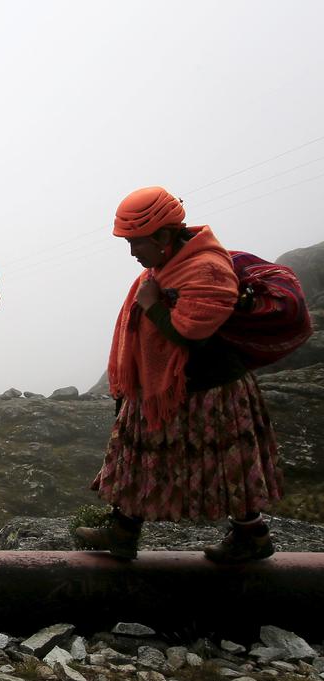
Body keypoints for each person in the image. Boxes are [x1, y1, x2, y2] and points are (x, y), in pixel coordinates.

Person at [77, 187, 282, 563]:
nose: (133, 251)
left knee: (226, 465)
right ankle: (123, 532)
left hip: (211, 390)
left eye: (137, 242)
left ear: (164, 236)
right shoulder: (166, 265)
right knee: (139, 455)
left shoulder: (207, 269)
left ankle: (251, 537)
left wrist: (153, 306)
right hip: (167, 388)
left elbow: (193, 335)